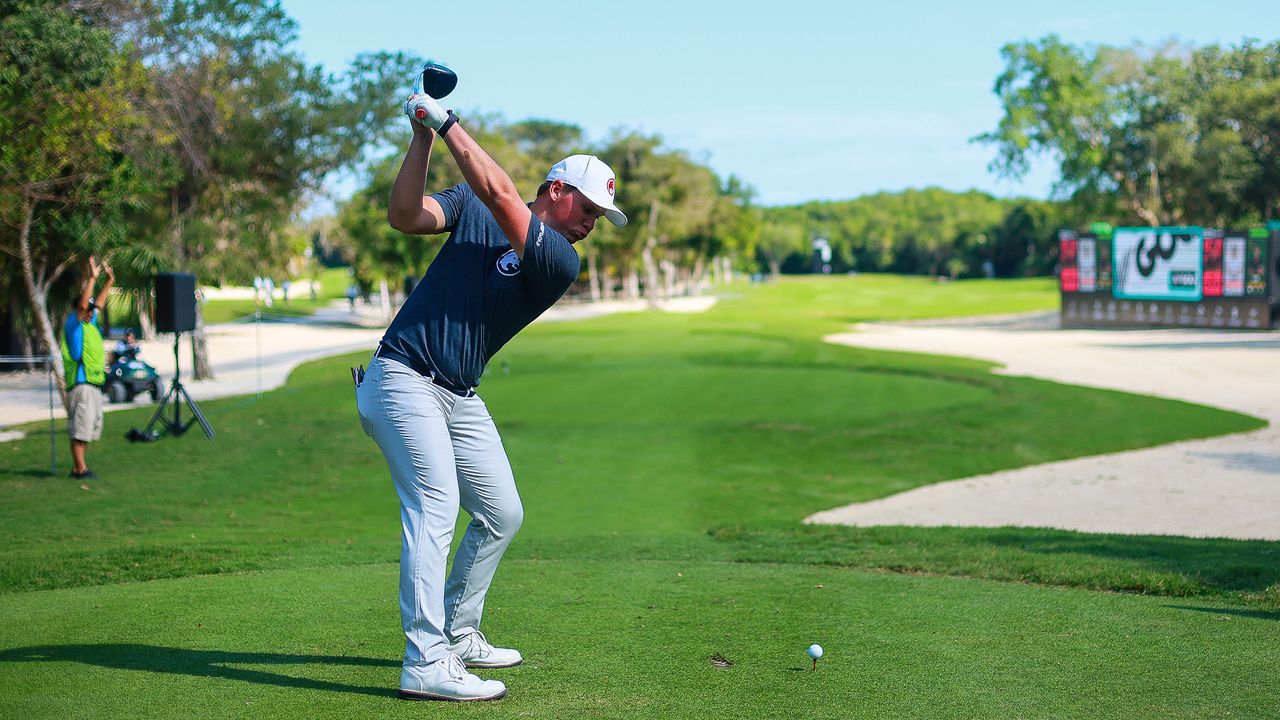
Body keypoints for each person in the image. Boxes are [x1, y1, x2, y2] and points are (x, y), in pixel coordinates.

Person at [355, 81, 626, 702]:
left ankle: (457, 630)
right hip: (401, 377)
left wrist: (446, 120)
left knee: (502, 512)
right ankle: (425, 661)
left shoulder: (558, 258)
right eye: (587, 209)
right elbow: (406, 215)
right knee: (435, 508)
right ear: (557, 190)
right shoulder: (475, 211)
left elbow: (500, 192)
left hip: (458, 393)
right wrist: (423, 133)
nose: (591, 225)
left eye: (599, 218)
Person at [60, 256, 114, 479]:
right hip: (81, 384)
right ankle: (80, 469)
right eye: (87, 310)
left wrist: (109, 283)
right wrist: (92, 278)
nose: (91, 312)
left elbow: (96, 305)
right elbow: (85, 305)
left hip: (92, 384)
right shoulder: (74, 325)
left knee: (88, 429)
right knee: (80, 429)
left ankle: (79, 467)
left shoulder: (90, 324)